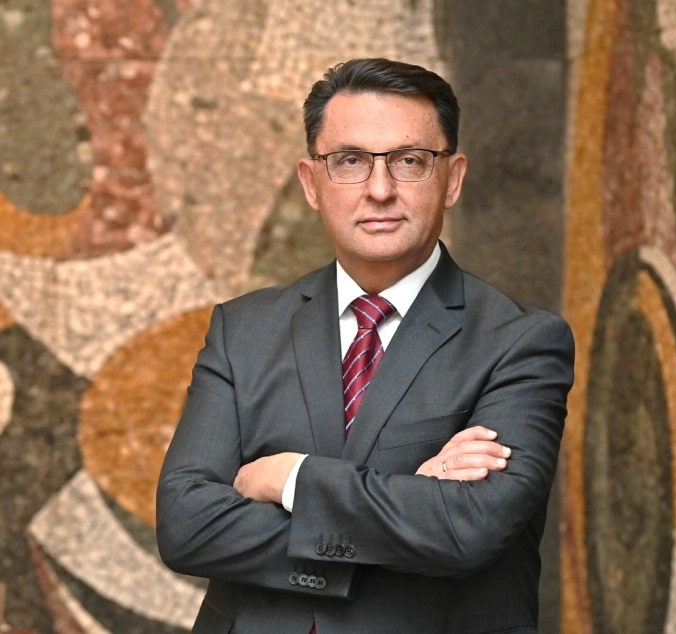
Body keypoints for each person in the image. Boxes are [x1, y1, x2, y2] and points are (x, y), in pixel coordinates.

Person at [156, 57, 574, 634]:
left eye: (410, 161)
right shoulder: (243, 330)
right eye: (350, 161)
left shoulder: (521, 343)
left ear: (452, 179)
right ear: (312, 183)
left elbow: (469, 528)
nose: (380, 190)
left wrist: (291, 479)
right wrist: (410, 505)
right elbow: (186, 524)